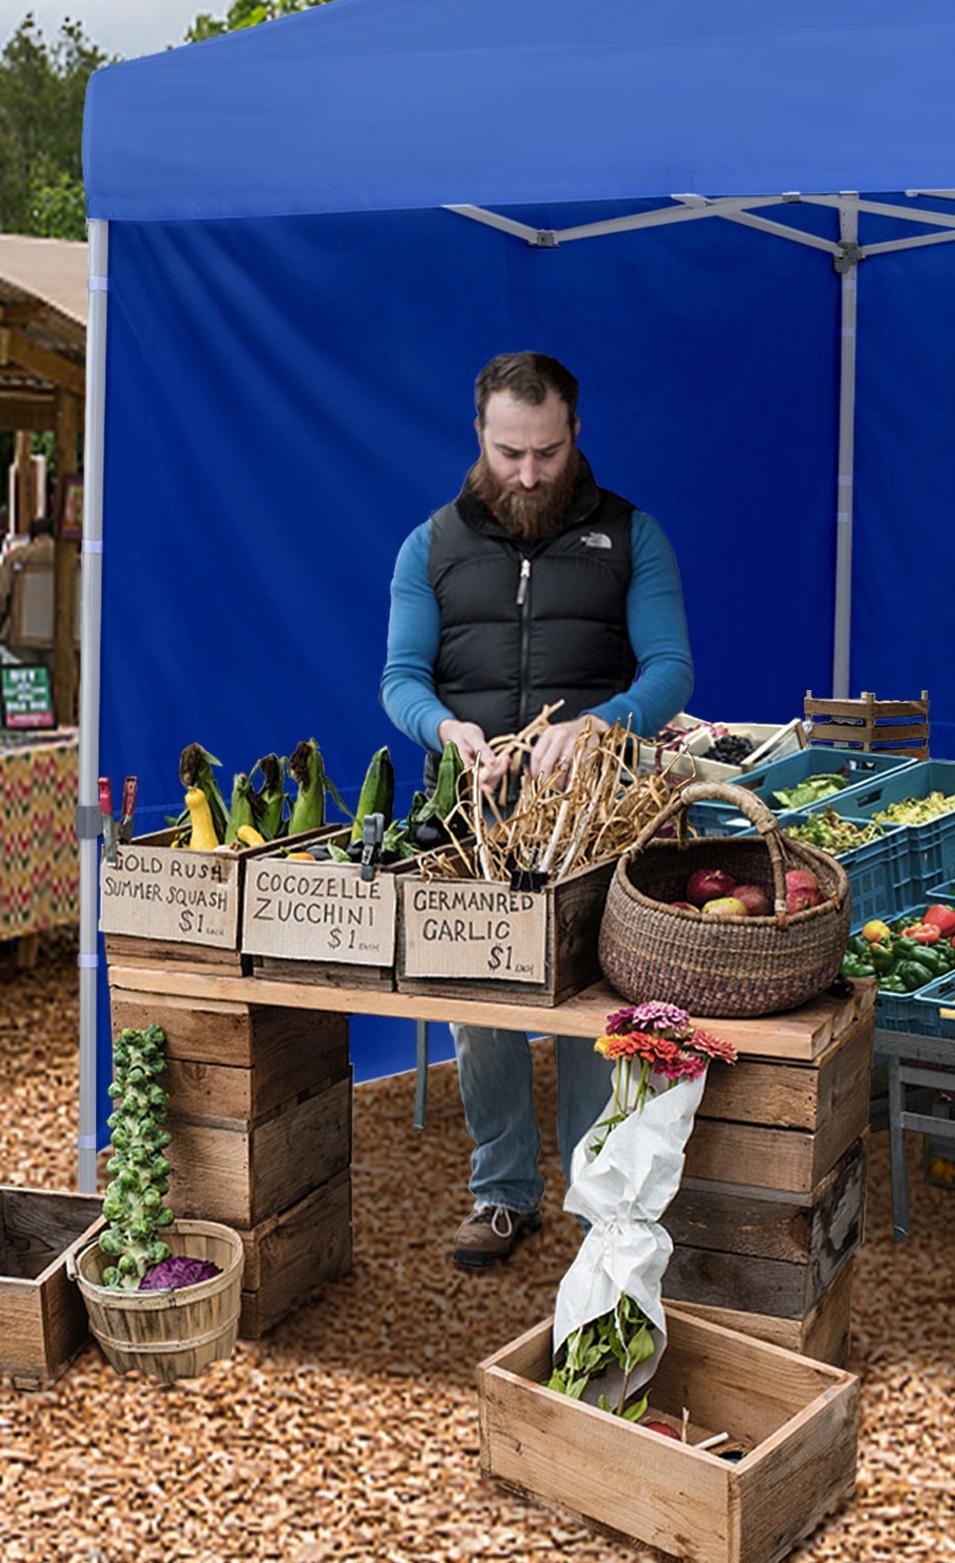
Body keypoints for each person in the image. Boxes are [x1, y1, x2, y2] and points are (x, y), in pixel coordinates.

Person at [382, 352, 694, 1268]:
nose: (527, 474)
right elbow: (401, 679)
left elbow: (671, 669)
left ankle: (598, 1202)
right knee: (482, 1007)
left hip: (598, 821)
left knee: (600, 1004)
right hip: (478, 820)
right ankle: (503, 1191)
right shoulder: (430, 546)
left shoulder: (633, 536)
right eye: (509, 451)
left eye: (547, 454)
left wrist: (602, 726)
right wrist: (445, 731)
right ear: (479, 435)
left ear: (576, 434)